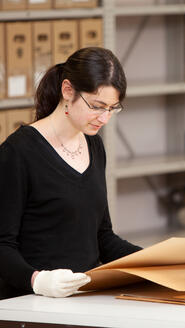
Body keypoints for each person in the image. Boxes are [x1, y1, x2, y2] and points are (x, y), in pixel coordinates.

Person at [0, 47, 142, 300]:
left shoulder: (93, 145)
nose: (105, 118)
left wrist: (159, 261)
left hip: (85, 298)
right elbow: (2, 245)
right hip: (28, 302)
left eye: (112, 108)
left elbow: (102, 236)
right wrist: (37, 280)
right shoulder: (18, 152)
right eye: (97, 106)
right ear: (68, 91)